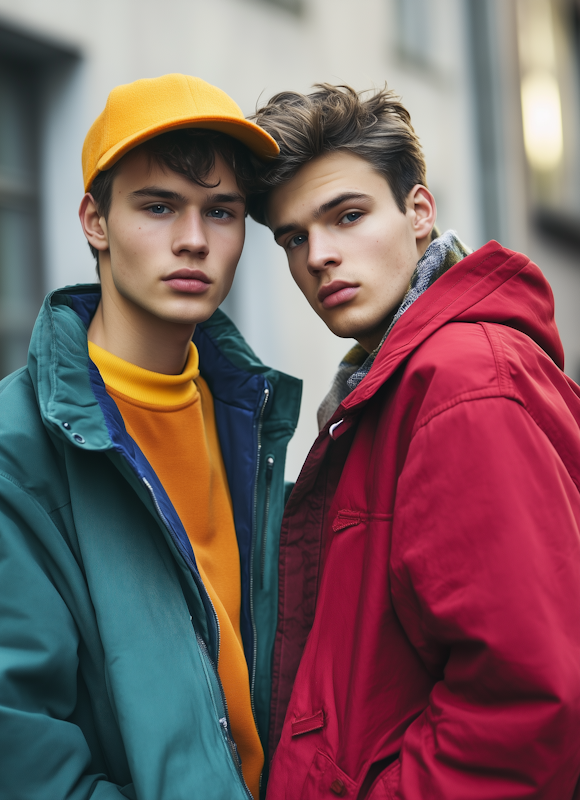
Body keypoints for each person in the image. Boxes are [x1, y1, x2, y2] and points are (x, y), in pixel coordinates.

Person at [0, 74, 301, 800]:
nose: (194, 240)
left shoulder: (249, 419)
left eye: (221, 212)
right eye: (158, 205)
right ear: (94, 221)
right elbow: (6, 767)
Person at [248, 84, 580, 798]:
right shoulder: (384, 388)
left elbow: (528, 700)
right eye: (294, 238)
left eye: (347, 216)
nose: (319, 256)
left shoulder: (461, 382)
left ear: (419, 212)